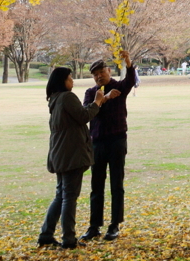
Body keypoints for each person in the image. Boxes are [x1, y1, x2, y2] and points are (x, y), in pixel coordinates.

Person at [38, 66, 106, 249]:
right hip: (71, 154)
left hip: (60, 153)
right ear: (63, 81)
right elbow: (84, 116)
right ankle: (68, 239)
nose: (72, 80)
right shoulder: (67, 97)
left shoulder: (55, 99)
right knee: (68, 197)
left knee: (61, 195)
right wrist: (98, 102)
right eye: (69, 78)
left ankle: (46, 234)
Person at [79, 50, 136, 243]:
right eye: (95, 75)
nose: (98, 77)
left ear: (108, 71)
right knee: (96, 186)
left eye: (101, 72)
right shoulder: (90, 93)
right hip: (97, 142)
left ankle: (114, 224)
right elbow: (88, 113)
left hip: (117, 140)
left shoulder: (119, 87)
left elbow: (130, 79)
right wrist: (105, 98)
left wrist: (128, 61)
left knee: (116, 184)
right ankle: (94, 226)